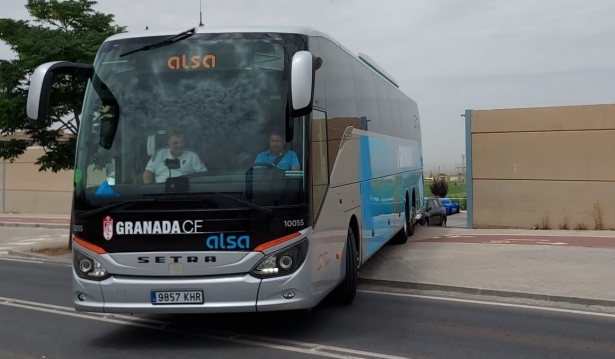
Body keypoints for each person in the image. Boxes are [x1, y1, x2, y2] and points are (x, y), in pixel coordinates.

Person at [142, 129, 208, 184]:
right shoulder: (160, 153)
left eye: (181, 142)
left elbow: (204, 175)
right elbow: (148, 173)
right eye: (175, 143)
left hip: (185, 191)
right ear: (168, 142)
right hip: (161, 190)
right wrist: (150, 189)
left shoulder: (192, 156)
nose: (179, 146)